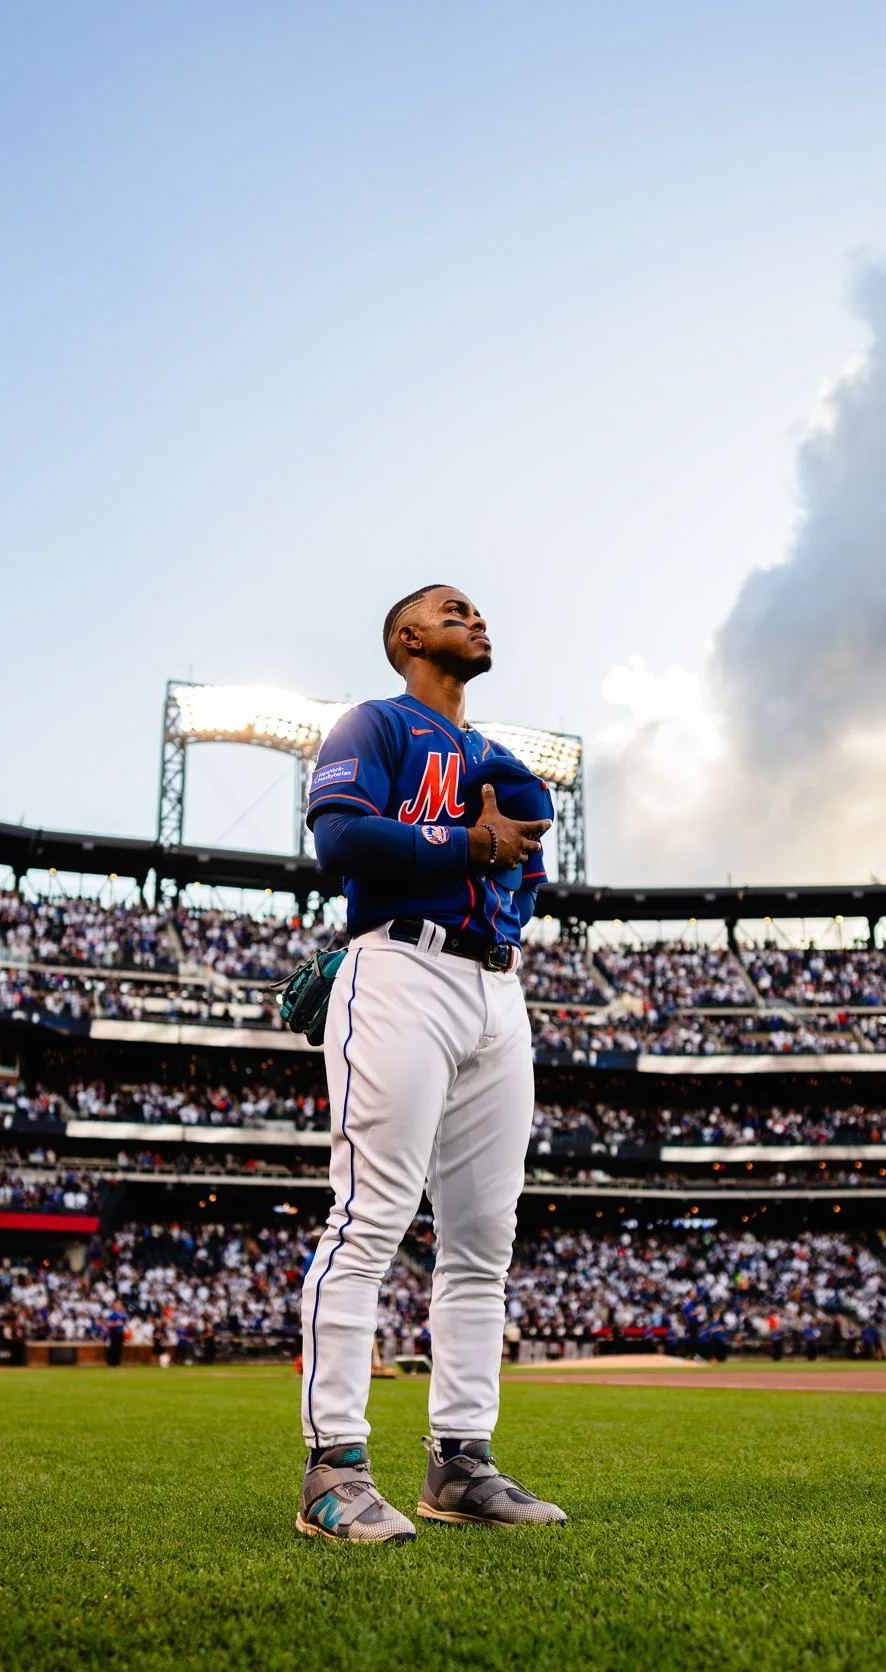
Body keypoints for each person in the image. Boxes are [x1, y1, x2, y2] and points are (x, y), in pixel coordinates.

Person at [295, 584, 568, 1542]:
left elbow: (528, 864)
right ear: (407, 637)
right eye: (455, 611)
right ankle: (332, 1469)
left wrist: (499, 843)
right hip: (399, 966)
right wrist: (467, 841)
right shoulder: (375, 723)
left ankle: (460, 1463)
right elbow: (340, 838)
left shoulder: (500, 761)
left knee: (483, 1243)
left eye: (482, 611)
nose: (479, 620)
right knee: (368, 1218)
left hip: (498, 987)